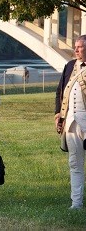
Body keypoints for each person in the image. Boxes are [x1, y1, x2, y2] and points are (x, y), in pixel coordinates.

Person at [55, 34, 86, 210]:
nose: (75, 50)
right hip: (72, 122)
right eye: (75, 46)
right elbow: (60, 91)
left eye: (80, 47)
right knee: (75, 163)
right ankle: (76, 203)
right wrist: (58, 115)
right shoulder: (69, 66)